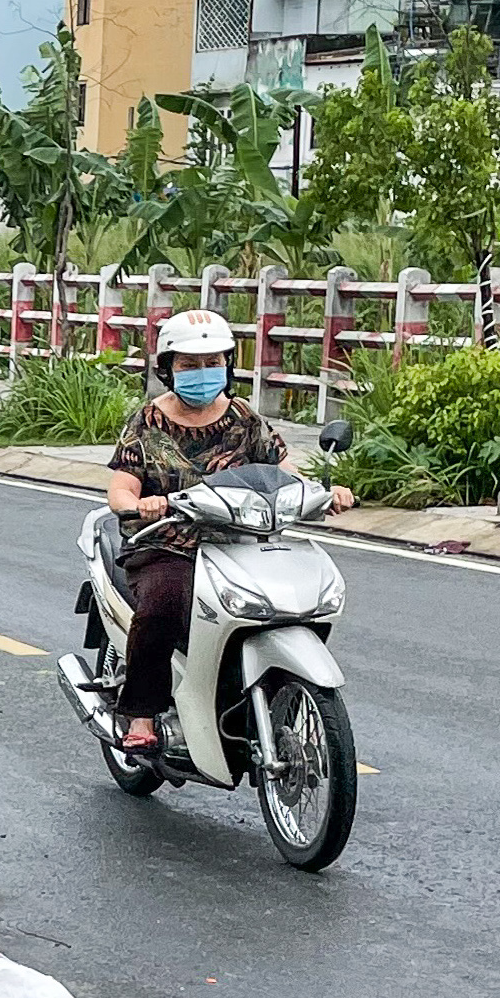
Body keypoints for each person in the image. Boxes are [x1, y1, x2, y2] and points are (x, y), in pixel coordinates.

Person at [103, 311, 352, 752]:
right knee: (163, 604)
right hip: (168, 542)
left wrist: (323, 494)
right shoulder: (147, 422)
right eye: (189, 365)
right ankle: (141, 711)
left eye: (212, 362)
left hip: (242, 542)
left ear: (228, 365)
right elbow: (120, 487)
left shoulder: (244, 418)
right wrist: (140, 504)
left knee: (293, 602)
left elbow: (283, 471)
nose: (203, 373)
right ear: (167, 368)